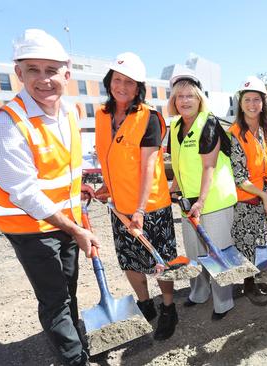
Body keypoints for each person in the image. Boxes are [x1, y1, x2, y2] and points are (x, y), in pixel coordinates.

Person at [0, 29, 98, 366]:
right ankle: (75, 360)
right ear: (19, 73)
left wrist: (79, 189)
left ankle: (75, 339)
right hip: (29, 228)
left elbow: (66, 165)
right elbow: (27, 194)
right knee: (55, 298)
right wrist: (76, 230)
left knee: (69, 290)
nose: (43, 80)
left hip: (67, 219)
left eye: (51, 70)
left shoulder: (70, 112)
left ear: (67, 74)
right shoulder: (4, 126)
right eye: (33, 70)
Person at [93, 52, 178, 340]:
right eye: (118, 80)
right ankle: (145, 303)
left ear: (138, 86)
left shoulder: (150, 118)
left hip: (150, 207)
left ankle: (168, 307)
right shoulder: (102, 115)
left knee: (161, 261)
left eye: (129, 82)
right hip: (119, 208)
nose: (122, 87)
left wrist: (140, 210)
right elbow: (110, 158)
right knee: (129, 260)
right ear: (109, 81)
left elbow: (148, 166)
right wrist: (108, 187)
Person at [167, 70, 238, 320]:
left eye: (190, 96)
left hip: (213, 200)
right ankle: (199, 292)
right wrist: (174, 185)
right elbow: (177, 161)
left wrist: (201, 201)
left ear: (199, 99)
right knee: (194, 250)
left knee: (217, 251)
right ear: (173, 100)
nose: (185, 101)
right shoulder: (175, 125)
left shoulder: (208, 122)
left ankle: (223, 301)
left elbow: (208, 166)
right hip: (189, 200)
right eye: (180, 96)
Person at [228, 76, 267, 306]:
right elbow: (239, 177)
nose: (251, 104)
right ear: (240, 103)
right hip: (247, 199)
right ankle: (249, 286)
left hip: (263, 194)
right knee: (247, 244)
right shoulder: (235, 134)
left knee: (261, 240)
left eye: (256, 99)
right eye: (247, 99)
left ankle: (259, 277)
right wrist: (263, 195)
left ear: (263, 102)